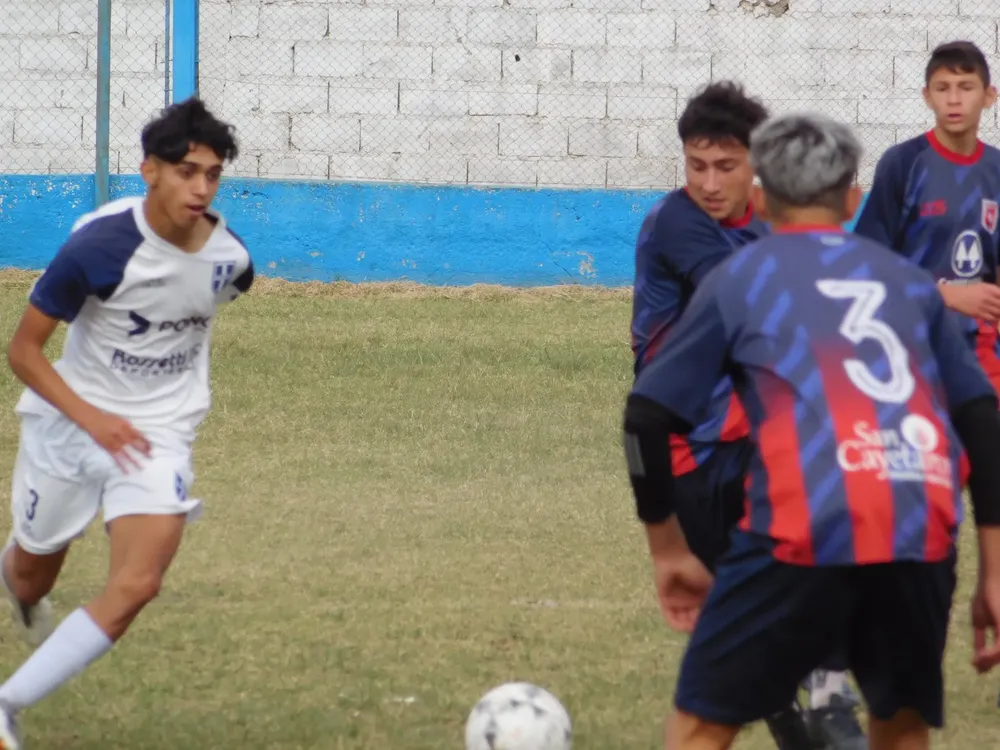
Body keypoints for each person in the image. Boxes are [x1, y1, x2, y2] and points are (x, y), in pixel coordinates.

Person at [623, 110, 1000, 750]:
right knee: (901, 724)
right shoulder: (910, 285)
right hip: (919, 525)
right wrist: (994, 571)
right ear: (854, 200)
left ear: (762, 198)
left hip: (802, 526)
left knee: (700, 724)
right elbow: (983, 421)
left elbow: (648, 417)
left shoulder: (743, 277)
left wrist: (667, 550)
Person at [0, 97, 252, 749]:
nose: (201, 187)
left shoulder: (230, 261)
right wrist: (95, 419)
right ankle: (19, 574)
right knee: (33, 574)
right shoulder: (98, 248)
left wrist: (130, 424)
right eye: (187, 171)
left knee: (138, 583)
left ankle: (7, 705)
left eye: (213, 174)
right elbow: (23, 352)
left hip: (157, 437)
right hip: (67, 423)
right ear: (150, 170)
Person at [631, 82, 865, 749]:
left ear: (755, 164)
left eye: (725, 166)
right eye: (696, 164)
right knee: (751, 607)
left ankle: (826, 691)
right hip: (688, 452)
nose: (708, 182)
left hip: (761, 443)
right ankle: (789, 704)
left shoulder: (771, 222)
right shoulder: (675, 224)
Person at [853, 40, 1000, 393]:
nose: (953, 99)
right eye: (942, 88)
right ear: (927, 96)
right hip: (911, 339)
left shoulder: (996, 167)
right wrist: (945, 296)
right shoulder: (903, 163)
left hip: (980, 344)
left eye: (965, 87)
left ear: (989, 96)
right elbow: (867, 263)